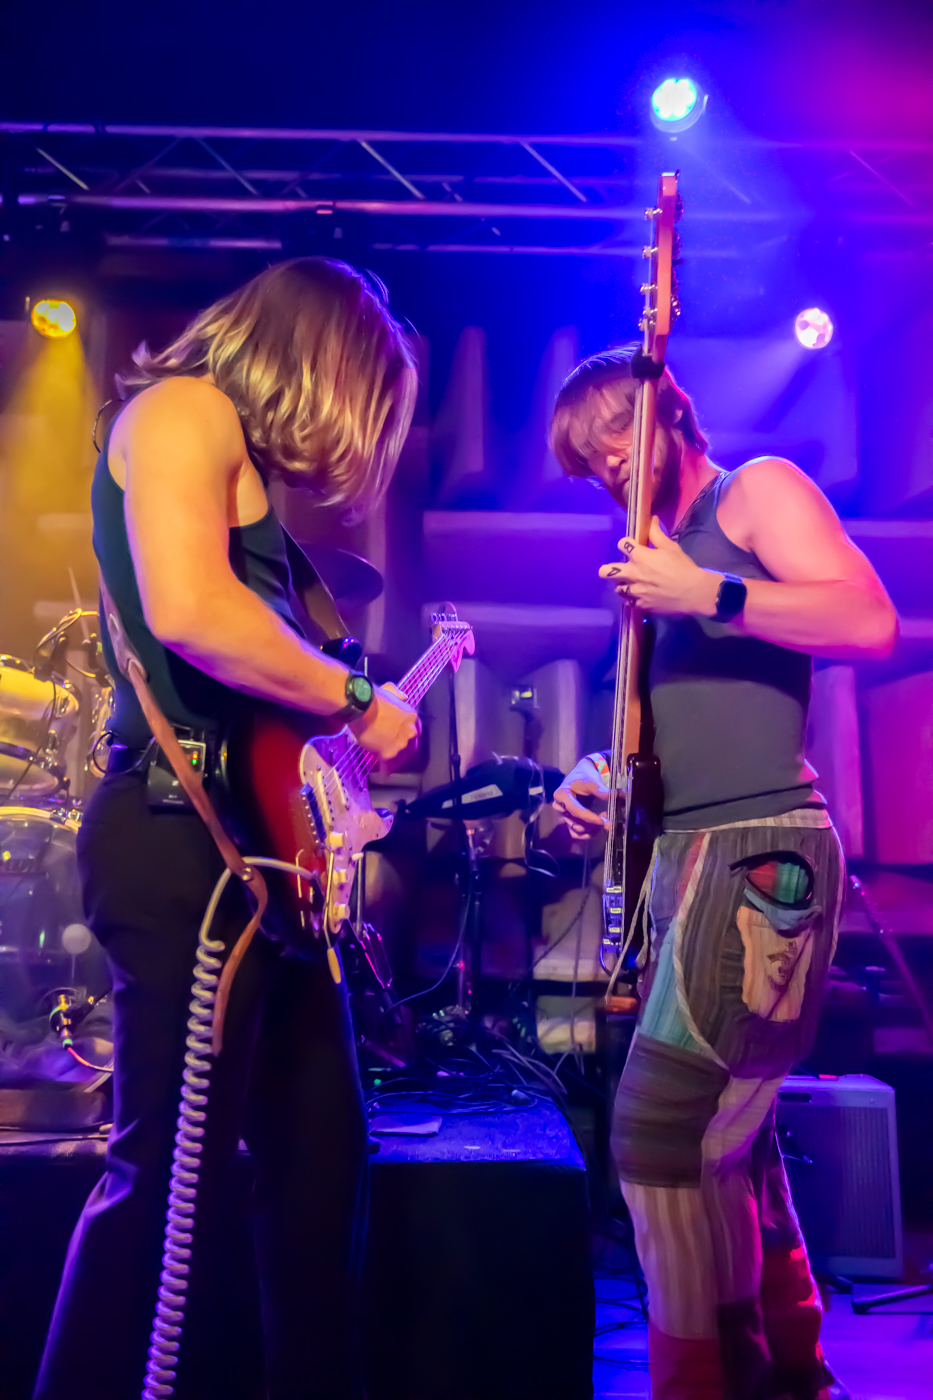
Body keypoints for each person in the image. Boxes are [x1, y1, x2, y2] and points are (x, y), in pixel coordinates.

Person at [34, 258, 421, 1400]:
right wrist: (353, 696)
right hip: (177, 839)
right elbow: (192, 613)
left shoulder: (233, 455)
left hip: (255, 859)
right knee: (164, 1178)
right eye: (363, 402)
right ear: (319, 363)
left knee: (320, 1163)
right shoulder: (181, 410)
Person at [549, 348, 897, 1400]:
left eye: (613, 433)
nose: (606, 464)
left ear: (667, 407)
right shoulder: (650, 568)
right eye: (587, 460)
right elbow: (664, 738)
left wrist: (710, 589)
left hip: (763, 847)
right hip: (688, 857)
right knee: (731, 1145)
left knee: (660, 1141)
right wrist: (598, 776)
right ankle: (787, 1370)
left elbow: (869, 619)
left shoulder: (755, 492)